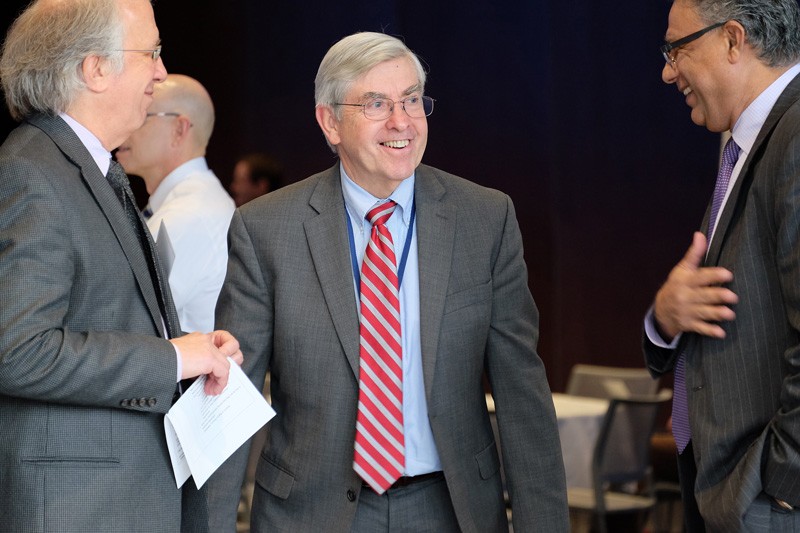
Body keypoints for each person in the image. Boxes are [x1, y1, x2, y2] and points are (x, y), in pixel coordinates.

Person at [207, 31, 568, 532]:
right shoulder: (266, 229)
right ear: (330, 122)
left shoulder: (484, 218)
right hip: (309, 513)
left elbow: (522, 392)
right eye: (376, 104)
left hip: (450, 509)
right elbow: (231, 394)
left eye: (412, 101)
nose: (401, 122)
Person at [0, 1, 242, 531]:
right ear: (96, 69)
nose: (161, 71)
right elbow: (17, 350)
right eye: (151, 52)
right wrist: (171, 358)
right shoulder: (34, 172)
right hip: (79, 507)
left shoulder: (84, 166)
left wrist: (190, 349)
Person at [644, 0, 800, 530]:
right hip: (727, 490)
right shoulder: (750, 141)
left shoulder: (795, 136)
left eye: (677, 49)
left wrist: (779, 488)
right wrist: (666, 319)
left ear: (733, 39)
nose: (668, 72)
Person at [116, 73, 235, 333]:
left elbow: (120, 318)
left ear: (179, 129)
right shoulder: (191, 203)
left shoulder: (189, 215)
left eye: (142, 112)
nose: (124, 124)